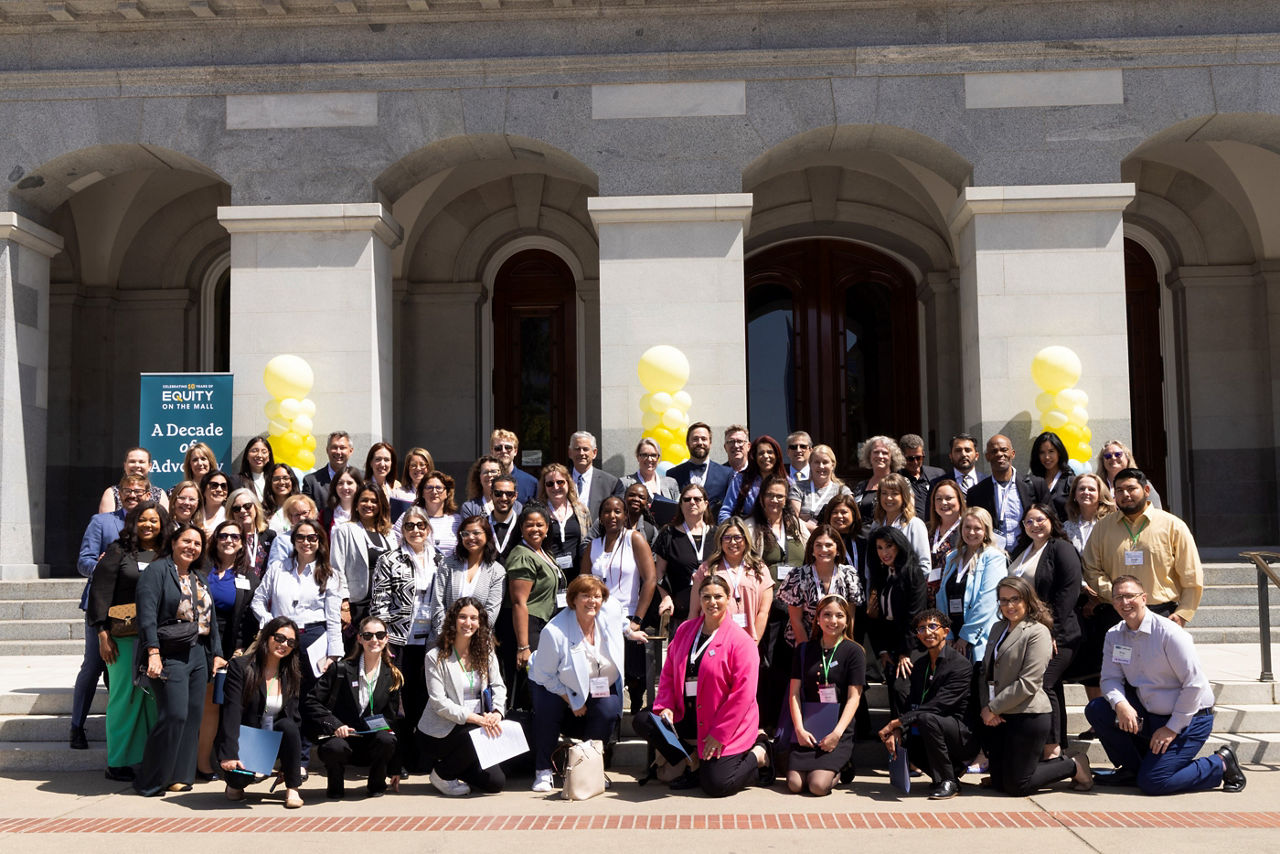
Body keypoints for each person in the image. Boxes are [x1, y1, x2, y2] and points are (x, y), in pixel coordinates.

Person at [1085, 576, 1245, 795]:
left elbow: (1194, 685)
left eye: (1130, 596)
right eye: (1118, 597)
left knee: (1154, 782)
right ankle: (1133, 770)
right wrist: (1120, 704)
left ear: (1144, 598)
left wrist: (1172, 728)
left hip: (1190, 719)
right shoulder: (1114, 635)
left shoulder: (1170, 633)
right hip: (1150, 715)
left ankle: (1220, 763)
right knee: (1098, 709)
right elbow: (1110, 679)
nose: (1124, 603)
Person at [635, 574, 773, 796]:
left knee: (717, 784)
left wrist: (720, 733)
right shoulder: (685, 631)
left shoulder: (741, 641)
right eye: (706, 597)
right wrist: (666, 706)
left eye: (718, 596)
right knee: (645, 720)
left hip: (721, 720)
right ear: (699, 599)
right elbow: (669, 672)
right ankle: (692, 761)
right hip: (686, 714)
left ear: (728, 599)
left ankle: (760, 753)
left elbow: (743, 695)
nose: (712, 602)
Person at [134, 523, 226, 796]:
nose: (192, 547)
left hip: (198, 652)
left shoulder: (199, 576)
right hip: (169, 651)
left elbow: (212, 621)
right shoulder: (157, 571)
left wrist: (217, 654)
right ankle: (150, 779)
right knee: (174, 714)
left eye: (197, 544)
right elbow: (147, 615)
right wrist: (153, 652)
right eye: (186, 541)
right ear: (173, 542)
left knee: (193, 716)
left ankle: (181, 777)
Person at [978, 576, 1092, 796]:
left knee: (1017, 786)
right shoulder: (997, 628)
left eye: (1015, 599)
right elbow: (986, 673)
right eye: (1003, 600)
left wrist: (992, 708)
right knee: (999, 782)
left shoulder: (1037, 631)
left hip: (1028, 714)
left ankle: (1074, 764)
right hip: (1000, 716)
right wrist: (988, 707)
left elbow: (1029, 682)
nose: (1009, 606)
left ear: (1028, 600)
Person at [528, 575, 640, 792]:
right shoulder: (555, 631)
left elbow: (622, 620)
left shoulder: (609, 611)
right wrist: (571, 699)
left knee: (609, 711)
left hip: (596, 682)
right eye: (585, 596)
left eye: (597, 596)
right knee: (548, 712)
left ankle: (587, 768)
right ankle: (543, 770)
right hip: (554, 683)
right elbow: (544, 675)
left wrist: (630, 632)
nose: (592, 601)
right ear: (573, 600)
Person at [86, 499, 167, 779]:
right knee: (124, 698)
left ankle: (147, 758)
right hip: (123, 637)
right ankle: (118, 762)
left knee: (152, 700)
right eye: (143, 519)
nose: (148, 524)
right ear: (133, 522)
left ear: (162, 524)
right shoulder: (118, 551)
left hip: (159, 638)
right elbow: (100, 592)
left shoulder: (165, 553)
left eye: (154, 520)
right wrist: (102, 633)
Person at [72, 474, 148, 750]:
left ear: (148, 494)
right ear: (119, 493)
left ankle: (129, 735)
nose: (133, 495)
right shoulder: (102, 522)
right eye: (128, 490)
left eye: (139, 491)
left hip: (137, 610)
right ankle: (77, 726)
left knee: (126, 672)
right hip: (103, 607)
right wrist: (105, 569)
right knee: (93, 665)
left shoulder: (151, 524)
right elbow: (83, 562)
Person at [1082, 467, 1203, 626]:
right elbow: (1091, 568)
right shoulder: (1102, 528)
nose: (1125, 494)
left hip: (1161, 612)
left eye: (1131, 489)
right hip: (1115, 612)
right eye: (1119, 490)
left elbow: (1191, 573)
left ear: (1146, 490)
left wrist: (1184, 612)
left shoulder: (1173, 526)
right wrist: (1117, 595)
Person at [370, 505, 441, 771]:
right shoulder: (389, 559)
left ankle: (421, 759)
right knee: (396, 701)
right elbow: (379, 603)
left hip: (429, 642)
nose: (415, 530)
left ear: (428, 528)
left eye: (420, 525)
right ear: (402, 529)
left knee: (423, 699)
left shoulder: (440, 560)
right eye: (409, 526)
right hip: (399, 640)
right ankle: (396, 760)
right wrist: (383, 638)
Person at [1008, 504, 1083, 756]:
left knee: (1043, 683)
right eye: (1028, 521)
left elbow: (1068, 593)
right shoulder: (1023, 550)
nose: (1034, 525)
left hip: (1058, 633)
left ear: (1051, 520)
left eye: (1040, 519)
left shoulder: (1061, 548)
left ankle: (1051, 749)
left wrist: (1052, 632)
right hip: (1026, 632)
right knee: (1052, 686)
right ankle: (1057, 744)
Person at [879, 610, 978, 800]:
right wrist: (898, 730)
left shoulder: (960, 665)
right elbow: (913, 702)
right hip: (931, 726)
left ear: (946, 631)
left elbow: (938, 705)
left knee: (926, 718)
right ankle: (948, 773)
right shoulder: (921, 665)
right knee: (906, 736)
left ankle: (949, 780)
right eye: (921, 628)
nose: (927, 632)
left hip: (961, 736)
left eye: (933, 626)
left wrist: (896, 722)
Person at [252, 519, 345, 713]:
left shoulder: (330, 574)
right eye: (300, 537)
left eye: (312, 537)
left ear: (320, 541)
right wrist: (271, 623)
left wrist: (333, 654)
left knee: (307, 698)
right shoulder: (278, 568)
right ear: (293, 541)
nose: (306, 542)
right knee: (276, 692)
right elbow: (258, 601)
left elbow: (334, 618)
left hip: (313, 639)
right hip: (279, 638)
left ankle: (302, 742)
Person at [306, 615, 403, 798]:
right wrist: (335, 725)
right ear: (359, 638)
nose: (374, 640)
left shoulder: (392, 675)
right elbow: (312, 701)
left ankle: (376, 785)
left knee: (386, 740)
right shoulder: (340, 669)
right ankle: (335, 785)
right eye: (368, 635)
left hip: (371, 739)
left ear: (386, 639)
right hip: (342, 738)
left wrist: (395, 767)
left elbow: (392, 721)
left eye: (380, 635)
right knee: (333, 748)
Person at [420, 599, 507, 796]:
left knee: (495, 783)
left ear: (480, 622)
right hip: (441, 731)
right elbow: (438, 702)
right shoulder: (435, 656)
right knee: (474, 732)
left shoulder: (486, 651)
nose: (468, 623)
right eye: (463, 617)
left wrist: (497, 712)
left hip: (477, 727)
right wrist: (477, 719)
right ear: (453, 620)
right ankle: (442, 774)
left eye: (474, 618)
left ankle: (456, 766)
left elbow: (498, 686)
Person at [216, 617, 305, 808]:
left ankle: (293, 789)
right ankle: (234, 784)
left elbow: (294, 718)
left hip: (273, 738)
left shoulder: (291, 672)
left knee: (288, 725)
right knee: (236, 786)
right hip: (246, 737)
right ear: (266, 636)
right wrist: (229, 753)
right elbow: (232, 712)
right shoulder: (241, 666)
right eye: (279, 638)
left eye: (290, 642)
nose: (284, 645)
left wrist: (291, 765)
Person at [195, 519, 260, 780]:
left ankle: (234, 761)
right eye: (223, 536)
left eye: (235, 536)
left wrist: (241, 650)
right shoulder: (201, 570)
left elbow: (249, 618)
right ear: (216, 539)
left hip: (234, 649)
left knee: (230, 705)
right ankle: (202, 764)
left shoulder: (249, 577)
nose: (229, 540)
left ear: (242, 543)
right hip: (200, 643)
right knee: (208, 705)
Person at [585, 495, 660, 711]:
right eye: (607, 511)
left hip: (629, 617)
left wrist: (637, 618)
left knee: (633, 673)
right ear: (600, 517)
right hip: (597, 620)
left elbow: (650, 580)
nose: (612, 516)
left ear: (626, 515)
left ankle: (635, 706)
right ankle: (606, 722)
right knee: (602, 674)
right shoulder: (594, 546)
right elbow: (582, 583)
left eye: (618, 511)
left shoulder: (634, 538)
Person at [786, 594, 865, 796]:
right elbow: (794, 693)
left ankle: (843, 767)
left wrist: (837, 734)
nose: (833, 621)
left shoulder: (854, 651)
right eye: (827, 615)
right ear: (817, 619)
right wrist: (800, 729)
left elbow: (854, 697)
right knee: (795, 785)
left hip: (838, 727)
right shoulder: (804, 650)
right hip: (808, 725)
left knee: (817, 786)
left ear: (847, 621)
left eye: (839, 615)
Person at [865, 525, 928, 712]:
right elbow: (878, 618)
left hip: (913, 644)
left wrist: (905, 653)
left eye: (889, 546)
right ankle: (895, 737)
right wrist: (883, 650)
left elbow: (914, 615)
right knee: (893, 691)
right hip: (889, 643)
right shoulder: (882, 575)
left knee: (902, 689)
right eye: (879, 548)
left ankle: (906, 737)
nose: (884, 552)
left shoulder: (912, 573)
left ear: (899, 546)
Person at [506, 504, 569, 680]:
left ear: (547, 527)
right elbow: (519, 602)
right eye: (529, 525)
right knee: (534, 680)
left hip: (546, 625)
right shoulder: (523, 555)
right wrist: (523, 646)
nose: (535, 529)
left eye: (539, 525)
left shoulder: (544, 552)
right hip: (530, 627)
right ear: (521, 528)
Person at [777, 524, 865, 647]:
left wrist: (843, 649)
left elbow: (849, 618)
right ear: (812, 550)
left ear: (838, 549)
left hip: (837, 643)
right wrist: (806, 651)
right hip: (806, 641)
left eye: (828, 545)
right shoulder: (798, 576)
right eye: (818, 545)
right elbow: (796, 620)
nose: (823, 549)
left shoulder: (849, 575)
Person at [935, 507, 1005, 662]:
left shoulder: (993, 557)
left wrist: (966, 637)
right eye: (967, 527)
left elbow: (988, 600)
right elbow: (941, 596)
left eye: (977, 528)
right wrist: (949, 634)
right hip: (953, 634)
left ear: (986, 531)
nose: (971, 532)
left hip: (978, 636)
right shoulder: (953, 556)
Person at [688, 518, 774, 643]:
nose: (733, 542)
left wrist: (753, 644)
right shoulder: (707, 569)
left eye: (737, 537)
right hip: (712, 640)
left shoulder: (759, 569)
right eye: (727, 538)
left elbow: (763, 612)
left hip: (747, 640)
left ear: (745, 540)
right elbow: (694, 611)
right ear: (720, 541)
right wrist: (690, 641)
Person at [965, 434, 1048, 554]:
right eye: (994, 451)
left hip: (1030, 553)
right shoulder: (976, 493)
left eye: (1004, 450)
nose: (999, 454)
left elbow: (1051, 520)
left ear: (1012, 454)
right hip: (994, 555)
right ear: (988, 457)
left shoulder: (1036, 485)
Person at [330, 484, 393, 639]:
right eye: (364, 500)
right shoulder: (345, 530)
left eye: (374, 501)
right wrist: (344, 605)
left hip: (384, 606)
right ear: (356, 504)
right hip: (356, 604)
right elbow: (336, 568)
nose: (369, 505)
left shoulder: (388, 534)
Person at [652, 483, 713, 627]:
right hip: (680, 613)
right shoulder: (668, 534)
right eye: (687, 499)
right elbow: (659, 572)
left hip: (712, 611)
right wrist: (665, 597)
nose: (692, 502)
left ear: (705, 504)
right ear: (680, 504)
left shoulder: (717, 535)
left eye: (697, 499)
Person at [434, 515, 506, 635]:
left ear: (487, 535)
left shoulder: (497, 572)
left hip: (479, 642)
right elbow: (437, 604)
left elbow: (490, 613)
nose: (470, 537)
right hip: (444, 638)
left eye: (476, 533)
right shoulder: (447, 564)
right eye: (465, 534)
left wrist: (469, 639)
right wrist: (447, 636)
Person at [871, 473, 930, 580]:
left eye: (894, 493)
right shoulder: (876, 525)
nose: (889, 498)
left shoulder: (914, 524)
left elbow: (924, 566)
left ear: (904, 496)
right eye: (884, 493)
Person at [668, 422, 733, 513]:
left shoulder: (726, 474)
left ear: (710, 443)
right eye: (695, 439)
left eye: (704, 439)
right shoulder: (673, 474)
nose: (700, 443)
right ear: (687, 443)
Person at [719, 435, 785, 522]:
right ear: (754, 457)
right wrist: (733, 531)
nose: (766, 456)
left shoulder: (787, 482)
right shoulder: (740, 480)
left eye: (770, 452)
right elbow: (725, 512)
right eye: (761, 453)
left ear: (777, 455)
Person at [539, 462, 590, 570]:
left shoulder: (581, 510)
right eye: (550, 484)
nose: (556, 487)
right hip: (548, 574)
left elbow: (588, 542)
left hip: (577, 574)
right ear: (544, 487)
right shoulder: (539, 512)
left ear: (568, 483)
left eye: (560, 482)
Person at [567, 430, 623, 523]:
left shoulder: (611, 483)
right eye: (577, 449)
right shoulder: (558, 481)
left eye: (585, 449)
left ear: (594, 453)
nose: (581, 453)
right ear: (570, 453)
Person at [790, 444, 850, 530]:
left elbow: (849, 519)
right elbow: (792, 519)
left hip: (832, 540)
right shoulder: (798, 488)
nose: (821, 466)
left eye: (825, 462)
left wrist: (805, 522)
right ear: (810, 464)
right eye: (817, 462)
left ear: (832, 465)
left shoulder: (842, 491)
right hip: (803, 540)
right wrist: (818, 530)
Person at [852, 436, 904, 525]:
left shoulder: (901, 482)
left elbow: (909, 511)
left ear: (892, 457)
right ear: (869, 455)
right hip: (861, 536)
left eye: (885, 453)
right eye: (876, 452)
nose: (880, 456)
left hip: (887, 535)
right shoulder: (861, 486)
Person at [1096, 439, 1164, 509]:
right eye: (1108, 456)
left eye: (1118, 454)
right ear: (1102, 461)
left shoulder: (1141, 484)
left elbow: (1156, 511)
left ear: (1127, 458)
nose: (1113, 458)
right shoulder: (1096, 486)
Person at [926, 479, 965, 595]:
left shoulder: (967, 530)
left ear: (959, 500)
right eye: (939, 499)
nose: (943, 503)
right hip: (928, 596)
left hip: (953, 594)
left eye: (949, 498)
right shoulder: (927, 530)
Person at [226, 487, 276, 578]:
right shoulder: (228, 539)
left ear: (256, 507)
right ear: (231, 513)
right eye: (236, 508)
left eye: (247, 506)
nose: (243, 511)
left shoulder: (271, 536)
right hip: (239, 589)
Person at [98, 446, 167, 512]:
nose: (137, 465)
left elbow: (166, 522)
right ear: (125, 466)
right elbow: (105, 522)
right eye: (132, 461)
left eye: (141, 462)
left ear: (149, 466)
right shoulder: (112, 493)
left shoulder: (159, 494)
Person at [303, 431, 358, 508]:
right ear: (327, 450)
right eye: (334, 447)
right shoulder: (311, 482)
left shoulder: (361, 478)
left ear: (351, 451)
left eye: (342, 448)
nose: (338, 452)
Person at [1064, 472, 1116, 554]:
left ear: (1100, 494)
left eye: (1091, 489)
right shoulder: (1067, 527)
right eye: (1081, 489)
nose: (1086, 492)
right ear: (1074, 495)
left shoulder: (1110, 524)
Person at [1030, 431, 1073, 520]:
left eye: (1051, 451)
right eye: (1042, 452)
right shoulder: (1033, 481)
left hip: (1065, 531)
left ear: (1059, 452)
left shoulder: (1070, 480)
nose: (1047, 457)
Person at [620, 437, 679, 501]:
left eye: (653, 455)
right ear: (637, 457)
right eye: (644, 455)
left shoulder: (670, 483)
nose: (649, 459)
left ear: (658, 458)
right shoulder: (625, 483)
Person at [898, 434, 945, 515]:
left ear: (923, 454)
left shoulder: (938, 475)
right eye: (910, 459)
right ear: (902, 457)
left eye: (918, 458)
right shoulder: (897, 479)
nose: (915, 462)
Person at [490, 428, 538, 504]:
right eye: (498, 448)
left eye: (508, 447)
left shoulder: (531, 483)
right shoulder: (486, 481)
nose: (503, 451)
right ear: (492, 451)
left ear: (515, 451)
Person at [485, 474, 523, 562]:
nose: (504, 498)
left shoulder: (523, 525)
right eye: (498, 493)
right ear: (491, 495)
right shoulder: (482, 525)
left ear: (515, 496)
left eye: (509, 494)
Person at [322, 467, 362, 532]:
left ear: (358, 485)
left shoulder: (365, 512)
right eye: (340, 483)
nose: (345, 487)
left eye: (349, 483)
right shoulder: (325, 514)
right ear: (335, 486)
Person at [234, 436, 274, 500]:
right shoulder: (236, 481)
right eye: (254, 451)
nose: (259, 455)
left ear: (269, 456)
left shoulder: (274, 480)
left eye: (264, 452)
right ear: (247, 455)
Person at [263, 463, 300, 532]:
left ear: (292, 481)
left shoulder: (301, 508)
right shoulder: (263, 510)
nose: (281, 482)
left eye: (286, 478)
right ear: (270, 483)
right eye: (276, 479)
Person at [196, 469, 232, 538]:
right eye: (214, 485)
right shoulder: (193, 512)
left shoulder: (231, 515)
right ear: (204, 489)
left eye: (223, 486)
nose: (219, 489)